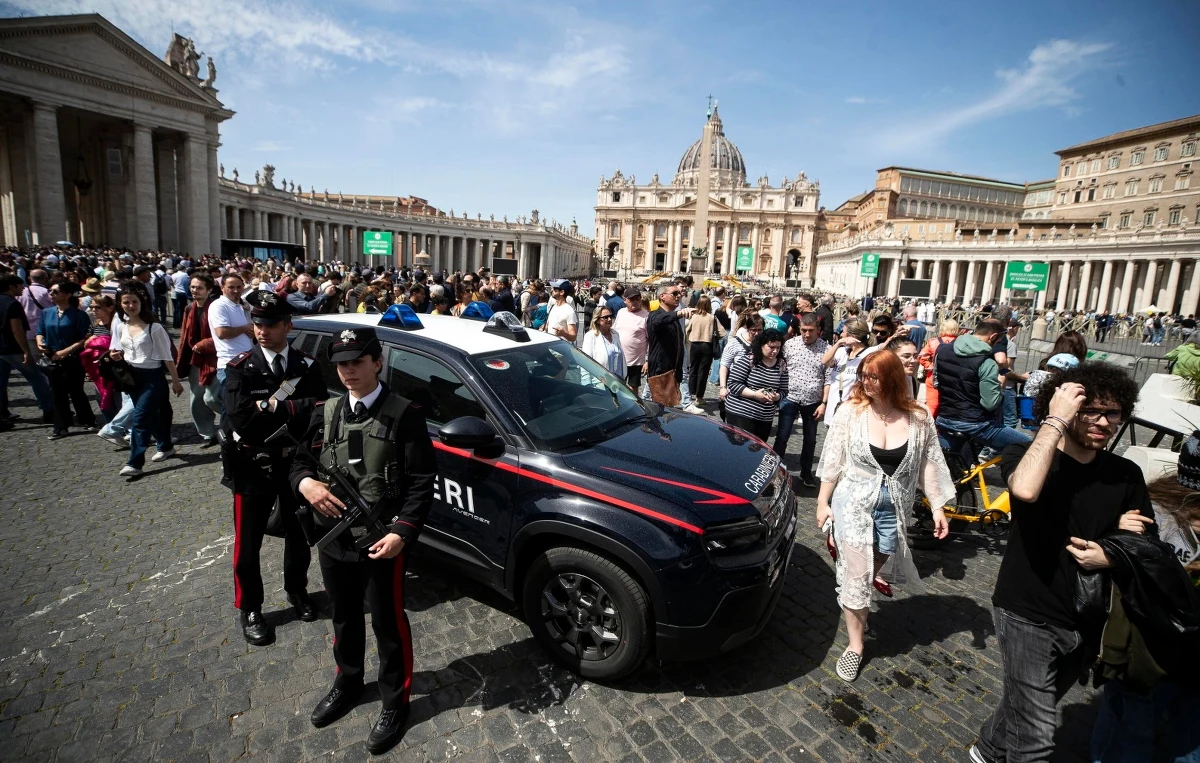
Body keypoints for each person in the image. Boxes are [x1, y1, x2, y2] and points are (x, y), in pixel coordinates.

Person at [970, 362, 1147, 763]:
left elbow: (1144, 542)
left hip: (1086, 616)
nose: (1103, 422)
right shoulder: (1024, 452)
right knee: (1035, 739)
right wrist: (1054, 420)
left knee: (1028, 703)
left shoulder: (1126, 473)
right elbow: (1026, 490)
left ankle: (987, 748)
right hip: (1026, 610)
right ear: (1069, 410)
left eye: (1113, 413)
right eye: (1091, 411)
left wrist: (1111, 551)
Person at [291, 327, 436, 754]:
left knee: (388, 624)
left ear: (378, 363)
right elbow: (300, 460)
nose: (349, 370)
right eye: (341, 363)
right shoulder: (328, 410)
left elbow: (421, 482)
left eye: (357, 361)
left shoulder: (405, 413)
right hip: (334, 539)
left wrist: (402, 533)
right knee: (343, 616)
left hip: (381, 541)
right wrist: (307, 486)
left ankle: (396, 701)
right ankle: (348, 681)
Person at [816, 350, 953, 682]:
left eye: (872, 376)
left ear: (892, 378)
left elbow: (929, 465)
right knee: (857, 580)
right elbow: (833, 459)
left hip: (894, 510)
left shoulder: (919, 418)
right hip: (853, 504)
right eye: (863, 374)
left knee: (872, 568)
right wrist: (823, 503)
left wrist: (937, 507)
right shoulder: (851, 412)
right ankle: (855, 645)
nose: (865, 381)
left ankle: (859, 604)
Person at [221, 290, 327, 646]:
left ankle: (297, 591)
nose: (261, 330)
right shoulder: (239, 368)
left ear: (287, 325)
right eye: (257, 323)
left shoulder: (306, 366)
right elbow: (243, 420)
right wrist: (293, 409)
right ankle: (250, 607)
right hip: (253, 464)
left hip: (296, 465)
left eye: (269, 324)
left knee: (299, 535)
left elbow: (318, 414)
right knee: (247, 543)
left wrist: (273, 408)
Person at [109, 283, 183, 475]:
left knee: (140, 419)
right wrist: (115, 355)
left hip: (153, 378)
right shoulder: (121, 326)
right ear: (120, 304)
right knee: (152, 416)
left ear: (142, 303)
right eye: (126, 302)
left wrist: (175, 382)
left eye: (135, 301)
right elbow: (115, 349)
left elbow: (167, 357)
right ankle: (166, 446)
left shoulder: (155, 328)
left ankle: (134, 463)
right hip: (132, 378)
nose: (131, 305)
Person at [933, 318, 1031, 454]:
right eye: (998, 342)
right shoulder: (986, 362)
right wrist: (1000, 386)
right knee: (1031, 446)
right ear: (993, 337)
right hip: (975, 424)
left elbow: (936, 383)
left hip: (945, 418)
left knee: (951, 465)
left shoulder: (942, 350)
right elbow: (990, 403)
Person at [37, 281, 97, 440]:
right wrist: (39, 342)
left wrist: (66, 351)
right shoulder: (47, 312)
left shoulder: (79, 315)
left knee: (76, 390)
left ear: (68, 294)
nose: (52, 295)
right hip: (52, 358)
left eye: (56, 292)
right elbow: (40, 331)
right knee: (57, 392)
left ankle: (86, 418)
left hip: (73, 358)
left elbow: (85, 338)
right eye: (51, 292)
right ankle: (61, 426)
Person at [775, 313, 828, 486]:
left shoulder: (826, 349)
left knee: (811, 439)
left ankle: (806, 473)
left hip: (813, 401)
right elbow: (780, 369)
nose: (806, 334)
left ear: (818, 330)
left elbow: (828, 378)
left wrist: (824, 403)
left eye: (810, 331)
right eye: (804, 330)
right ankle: (776, 471)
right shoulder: (789, 345)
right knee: (782, 436)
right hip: (790, 397)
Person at [0, 274, 53, 428]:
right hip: (13, 348)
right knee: (36, 378)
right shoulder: (12, 304)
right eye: (20, 285)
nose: (23, 288)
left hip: (1, 349)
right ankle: (49, 410)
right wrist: (26, 350)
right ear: (11, 286)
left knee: (1, 384)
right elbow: (17, 329)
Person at [178, 273, 221, 447]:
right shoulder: (189, 308)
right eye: (193, 287)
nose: (195, 291)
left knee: (212, 397)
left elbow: (222, 334)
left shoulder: (216, 307)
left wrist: (204, 345)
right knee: (197, 399)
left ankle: (234, 420)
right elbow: (184, 335)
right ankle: (207, 433)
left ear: (209, 290)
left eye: (199, 287)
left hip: (215, 358)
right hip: (195, 358)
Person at [723, 329, 788, 441]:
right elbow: (733, 383)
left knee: (758, 448)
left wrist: (776, 397)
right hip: (741, 411)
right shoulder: (749, 360)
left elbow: (784, 390)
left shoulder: (781, 365)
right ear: (761, 345)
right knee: (740, 447)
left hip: (764, 416)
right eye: (771, 347)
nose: (775, 351)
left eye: (778, 348)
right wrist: (754, 394)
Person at [646, 281, 696, 405]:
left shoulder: (673, 319)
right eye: (674, 293)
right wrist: (678, 314)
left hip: (673, 372)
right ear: (662, 296)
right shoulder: (655, 315)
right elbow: (658, 321)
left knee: (669, 408)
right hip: (661, 372)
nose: (678, 296)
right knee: (660, 410)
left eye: (679, 293)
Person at [209, 274, 254, 398]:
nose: (236, 290)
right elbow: (222, 333)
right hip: (230, 365)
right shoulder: (219, 306)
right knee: (231, 410)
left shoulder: (240, 306)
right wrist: (245, 328)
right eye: (231, 287)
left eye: (239, 287)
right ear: (222, 287)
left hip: (247, 363)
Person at [822, 319, 870, 426]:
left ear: (851, 335)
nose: (841, 334)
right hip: (834, 408)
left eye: (843, 331)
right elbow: (825, 361)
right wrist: (838, 343)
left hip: (852, 410)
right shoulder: (841, 351)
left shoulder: (868, 354)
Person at [683, 296, 723, 412]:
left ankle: (690, 394)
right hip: (707, 345)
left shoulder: (694, 317)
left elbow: (687, 330)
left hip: (694, 345)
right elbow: (722, 332)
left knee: (693, 370)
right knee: (703, 372)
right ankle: (699, 397)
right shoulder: (711, 318)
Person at [918, 318, 959, 419]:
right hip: (953, 378)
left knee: (932, 405)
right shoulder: (960, 343)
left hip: (934, 377)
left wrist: (929, 365)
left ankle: (926, 427)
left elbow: (921, 356)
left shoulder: (933, 342)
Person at [611, 286, 648, 391]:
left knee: (633, 388)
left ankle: (635, 407)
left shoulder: (646, 316)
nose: (635, 302)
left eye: (637, 299)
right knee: (616, 385)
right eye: (632, 299)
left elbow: (651, 339)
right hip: (618, 358)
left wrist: (647, 360)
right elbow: (614, 330)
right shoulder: (621, 312)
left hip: (635, 361)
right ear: (625, 300)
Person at [580, 305, 626, 378]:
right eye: (605, 317)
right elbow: (585, 362)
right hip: (600, 381)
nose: (609, 319)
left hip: (619, 382)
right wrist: (587, 382)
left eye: (611, 316)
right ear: (597, 320)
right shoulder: (590, 336)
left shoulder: (615, 334)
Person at [885, 334, 920, 400]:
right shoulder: (881, 382)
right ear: (891, 357)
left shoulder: (911, 380)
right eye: (906, 356)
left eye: (915, 356)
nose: (913, 361)